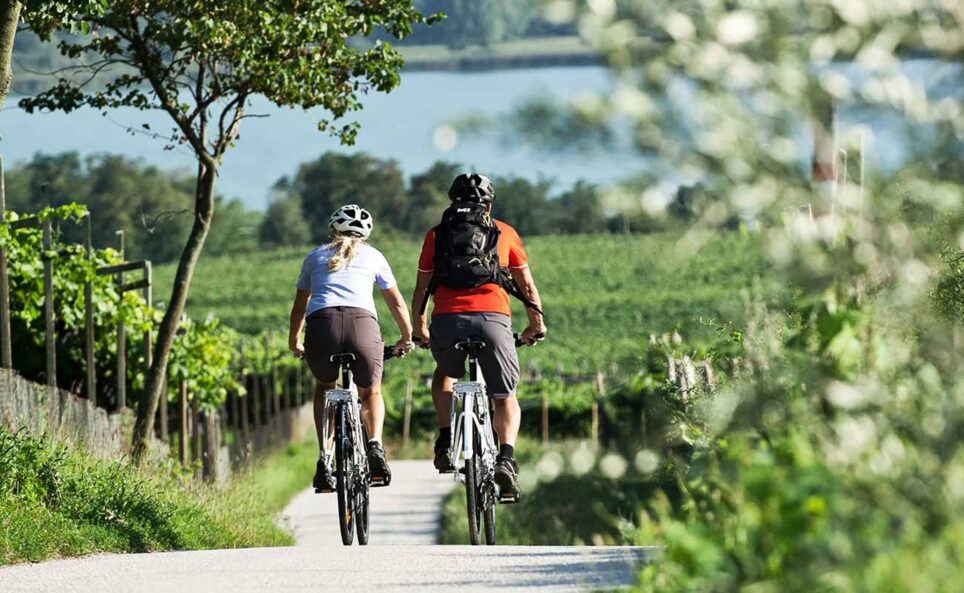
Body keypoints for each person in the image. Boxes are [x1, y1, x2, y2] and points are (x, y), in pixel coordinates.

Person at [411, 173, 546, 500]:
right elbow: (526, 286)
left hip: (447, 321)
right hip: (493, 321)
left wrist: (419, 328)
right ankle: (507, 459)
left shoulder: (436, 235)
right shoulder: (505, 232)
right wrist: (536, 324)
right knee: (505, 393)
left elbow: (421, 289)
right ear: (489, 203)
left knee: (444, 374)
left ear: (452, 201)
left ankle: (445, 440)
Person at [289, 204, 413, 492]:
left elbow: (299, 307)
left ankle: (324, 460)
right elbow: (395, 302)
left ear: (333, 230)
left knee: (325, 387)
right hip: (362, 327)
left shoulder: (314, 257)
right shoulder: (375, 256)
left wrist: (294, 341)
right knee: (371, 392)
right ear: (366, 235)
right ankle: (375, 447)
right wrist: (407, 335)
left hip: (322, 328)